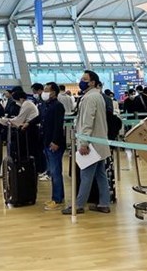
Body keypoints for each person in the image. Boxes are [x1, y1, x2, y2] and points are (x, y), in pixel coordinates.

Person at [63, 70, 111, 215]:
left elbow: (87, 122)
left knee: (86, 175)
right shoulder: (97, 96)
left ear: (93, 82)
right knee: (101, 175)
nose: (82, 81)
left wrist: (84, 142)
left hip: (91, 144)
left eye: (85, 79)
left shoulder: (90, 98)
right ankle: (104, 203)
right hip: (99, 142)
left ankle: (78, 205)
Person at [40, 82, 66, 211]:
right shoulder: (45, 105)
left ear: (54, 92)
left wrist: (55, 141)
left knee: (56, 172)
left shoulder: (58, 106)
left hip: (54, 143)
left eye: (47, 90)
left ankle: (57, 199)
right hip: (46, 141)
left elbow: (58, 125)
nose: (44, 93)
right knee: (53, 171)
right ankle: (57, 196)